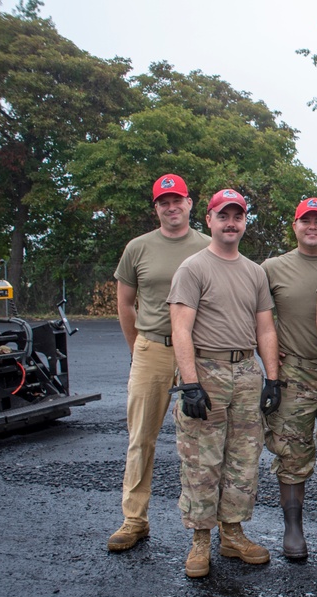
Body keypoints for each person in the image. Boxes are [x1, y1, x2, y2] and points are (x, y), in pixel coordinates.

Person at [167, 188, 281, 578]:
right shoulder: (193, 268)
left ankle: (232, 533)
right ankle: (200, 540)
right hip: (207, 369)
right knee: (202, 459)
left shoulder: (254, 272)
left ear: (244, 222)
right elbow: (180, 328)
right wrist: (190, 384)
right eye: (224, 215)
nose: (231, 222)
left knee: (244, 458)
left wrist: (273, 378)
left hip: (246, 371)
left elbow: (265, 328)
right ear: (209, 220)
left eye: (238, 216)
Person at [108, 174, 210, 552]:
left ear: (189, 203)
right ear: (156, 208)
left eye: (177, 200)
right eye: (163, 202)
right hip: (152, 348)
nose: (171, 207)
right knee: (141, 438)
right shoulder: (138, 248)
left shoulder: (207, 245)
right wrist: (138, 347)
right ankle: (134, 519)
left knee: (200, 441)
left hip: (199, 353)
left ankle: (204, 528)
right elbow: (125, 303)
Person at [261, 197, 317, 560]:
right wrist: (262, 347)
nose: (312, 226)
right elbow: (251, 313)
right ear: (294, 225)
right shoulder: (272, 268)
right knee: (291, 451)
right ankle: (293, 528)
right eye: (305, 220)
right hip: (294, 372)